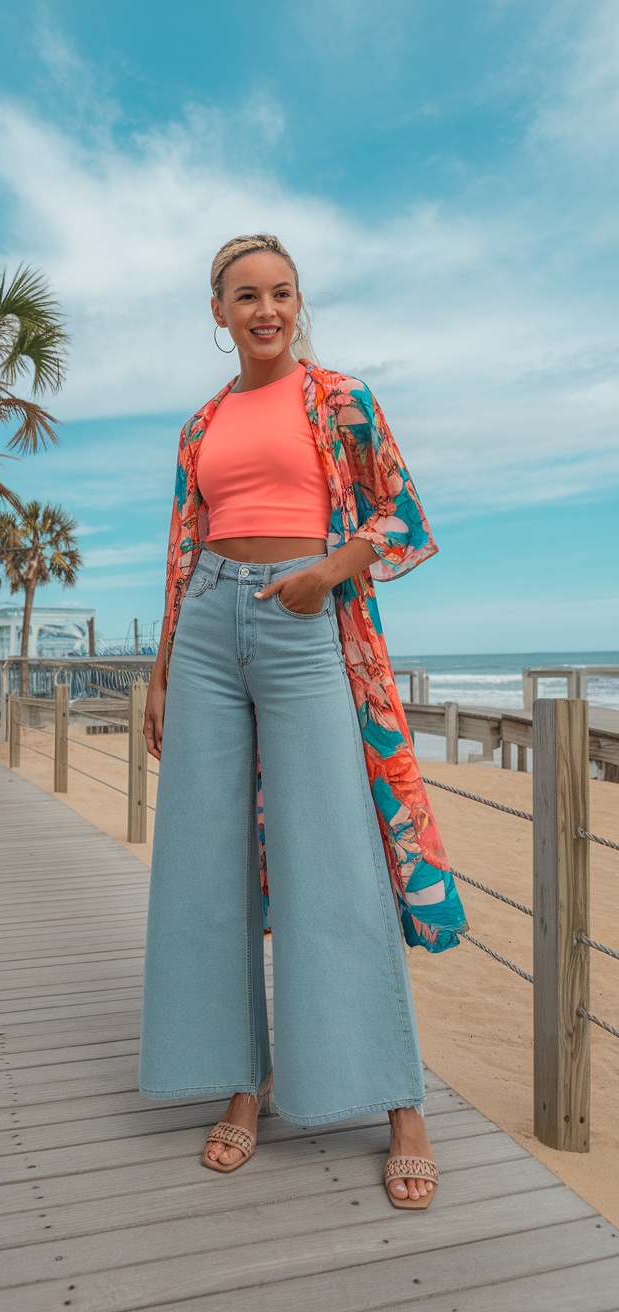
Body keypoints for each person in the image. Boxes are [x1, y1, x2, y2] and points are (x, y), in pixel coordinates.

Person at [139, 233, 468, 1209]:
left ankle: (397, 1100)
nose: (266, 310)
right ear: (218, 312)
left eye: (281, 293)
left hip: (301, 622)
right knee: (207, 866)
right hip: (205, 626)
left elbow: (401, 516)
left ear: (297, 303)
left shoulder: (339, 400)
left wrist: (324, 574)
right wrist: (160, 671)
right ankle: (247, 1082)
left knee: (335, 857)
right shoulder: (201, 424)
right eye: (246, 296)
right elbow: (178, 549)